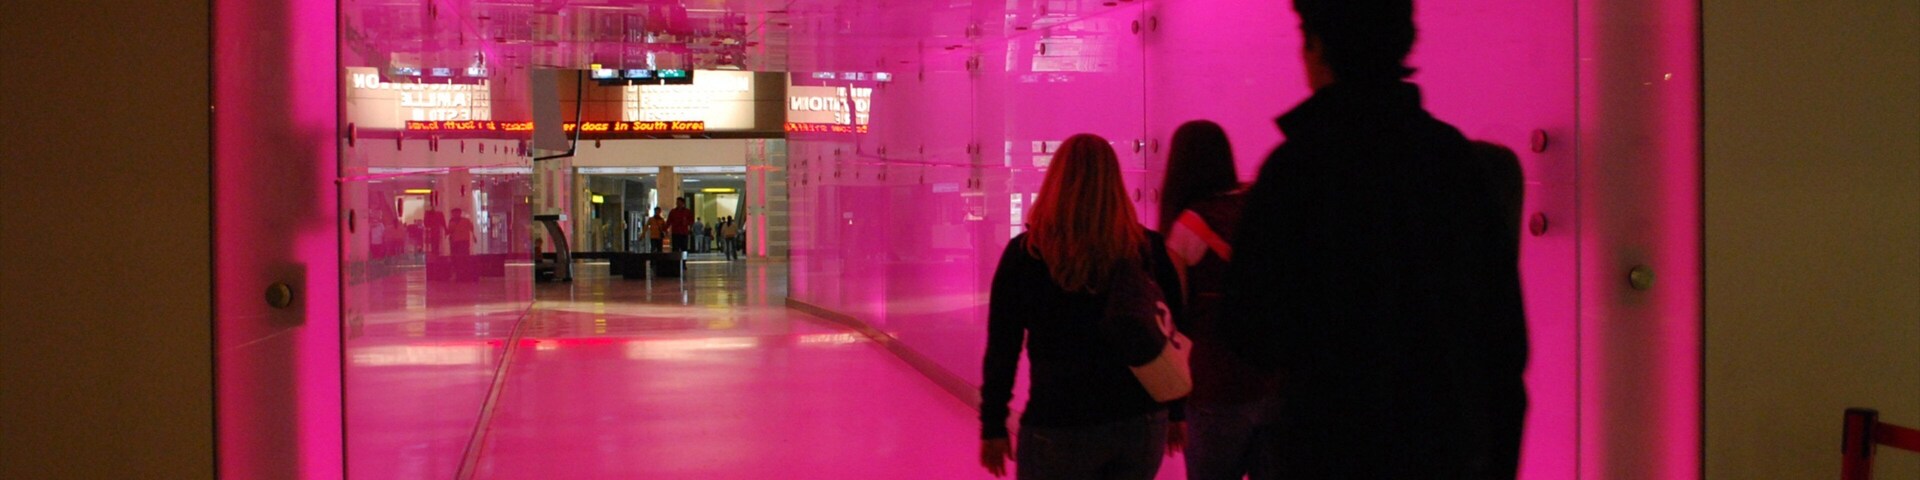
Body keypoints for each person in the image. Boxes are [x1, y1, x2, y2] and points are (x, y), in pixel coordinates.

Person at [1219, 1, 1529, 478]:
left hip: (1331, 447)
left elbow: (1251, 331)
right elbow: (1503, 341)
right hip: (1444, 451)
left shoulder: (1295, 169)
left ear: (1317, 46)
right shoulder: (1456, 163)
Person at [979, 134, 1186, 480]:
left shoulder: (1026, 255)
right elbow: (1172, 332)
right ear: (1115, 183)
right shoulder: (1147, 249)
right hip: (1141, 418)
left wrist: (993, 426)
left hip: (1059, 421)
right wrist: (1177, 410)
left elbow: (1003, 347)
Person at [1157, 120, 1278, 480]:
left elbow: (1173, 317)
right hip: (1273, 380)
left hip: (1214, 386)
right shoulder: (1260, 207)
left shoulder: (1189, 225)